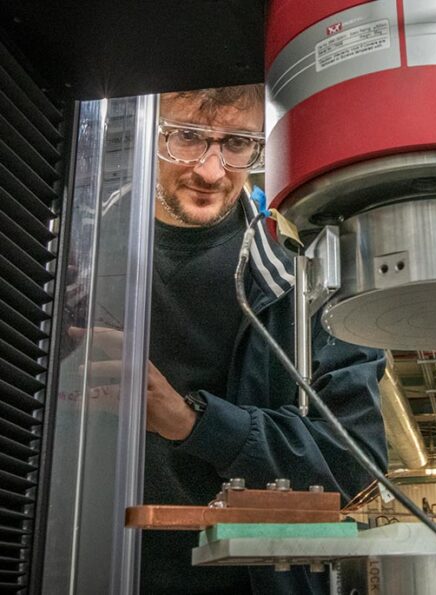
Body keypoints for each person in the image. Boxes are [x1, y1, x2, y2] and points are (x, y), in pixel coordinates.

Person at [113, 84, 386, 594]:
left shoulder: (307, 282)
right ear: (149, 132)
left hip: (256, 582)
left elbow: (358, 466)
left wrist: (196, 423)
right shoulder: (75, 262)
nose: (211, 171)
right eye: (187, 137)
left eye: (237, 144)